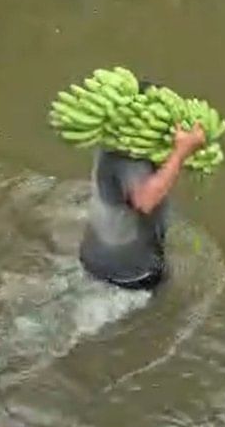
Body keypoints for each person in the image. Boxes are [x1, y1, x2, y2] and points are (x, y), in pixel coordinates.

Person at [79, 80, 207, 291]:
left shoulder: (111, 143)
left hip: (98, 251)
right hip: (127, 267)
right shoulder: (130, 161)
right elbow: (145, 200)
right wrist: (180, 152)